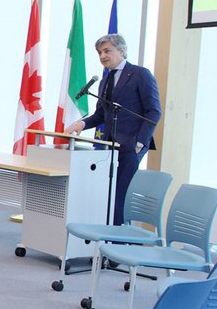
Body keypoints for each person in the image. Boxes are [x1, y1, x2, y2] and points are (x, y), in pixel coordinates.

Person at [68, 33, 162, 225]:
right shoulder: (104, 81)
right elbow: (101, 115)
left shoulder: (140, 74)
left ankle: (117, 244)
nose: (103, 55)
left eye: (107, 50)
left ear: (122, 51)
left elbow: (153, 112)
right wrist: (82, 124)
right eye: (100, 52)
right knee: (108, 193)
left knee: (120, 194)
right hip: (109, 146)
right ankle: (103, 241)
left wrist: (140, 142)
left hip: (131, 145)